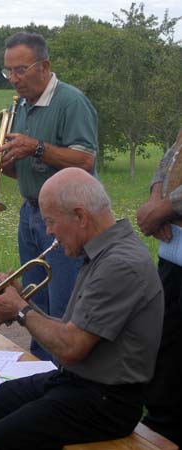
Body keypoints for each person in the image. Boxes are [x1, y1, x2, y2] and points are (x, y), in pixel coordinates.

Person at [0, 167, 163, 450]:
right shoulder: (102, 252)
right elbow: (70, 333)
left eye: (50, 221)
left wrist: (19, 310)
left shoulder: (119, 264)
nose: (48, 231)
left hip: (105, 403)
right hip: (75, 382)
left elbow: (70, 346)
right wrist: (23, 302)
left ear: (80, 215)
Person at [0, 32, 98, 360]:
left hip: (69, 220)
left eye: (20, 70)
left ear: (44, 66)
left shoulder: (71, 101)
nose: (13, 80)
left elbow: (85, 161)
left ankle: (64, 386)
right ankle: (37, 380)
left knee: (63, 308)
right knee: (34, 307)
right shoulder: (19, 105)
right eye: (8, 72)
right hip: (31, 213)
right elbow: (24, 170)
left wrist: (35, 147)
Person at [137, 127, 182, 448]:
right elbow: (171, 156)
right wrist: (156, 198)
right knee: (166, 351)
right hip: (173, 257)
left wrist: (165, 208)